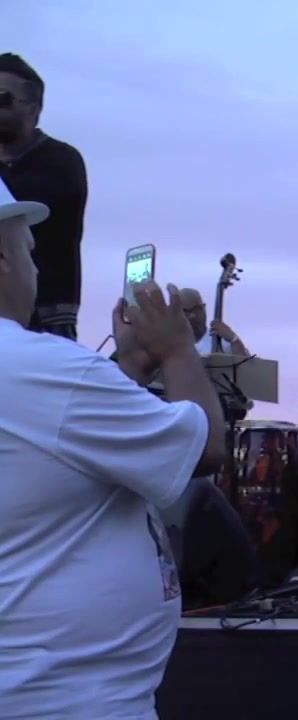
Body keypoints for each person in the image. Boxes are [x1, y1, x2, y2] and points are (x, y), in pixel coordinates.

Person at [0, 180, 226, 717]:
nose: (37, 270)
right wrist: (177, 349)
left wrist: (128, 369)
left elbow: (53, 450)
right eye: (28, 252)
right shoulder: (40, 365)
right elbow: (204, 449)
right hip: (65, 700)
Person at [0, 53, 88, 341]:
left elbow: (21, 206)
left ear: (33, 108)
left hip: (48, 319)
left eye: (2, 98)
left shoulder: (61, 161)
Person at [180, 287, 250, 355]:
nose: (193, 315)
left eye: (197, 309)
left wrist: (234, 339)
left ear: (204, 308)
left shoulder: (221, 342)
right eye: (186, 311)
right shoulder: (174, 346)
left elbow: (246, 362)